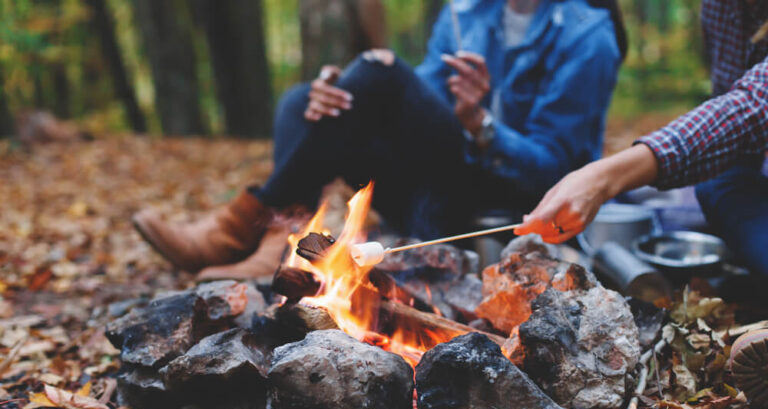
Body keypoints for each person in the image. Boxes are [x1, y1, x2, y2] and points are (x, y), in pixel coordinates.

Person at [134, 0, 624, 277]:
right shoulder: (469, 13)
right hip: (434, 181)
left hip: (504, 209)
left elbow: (559, 172)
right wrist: (342, 92)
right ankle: (280, 239)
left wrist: (481, 126)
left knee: (377, 70)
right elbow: (418, 101)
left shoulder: (587, 36)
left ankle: (241, 225)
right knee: (303, 98)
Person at [516, 0, 768, 277]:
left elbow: (754, 105)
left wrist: (603, 179)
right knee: (716, 184)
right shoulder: (723, 7)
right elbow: (732, 129)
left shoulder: (586, 32)